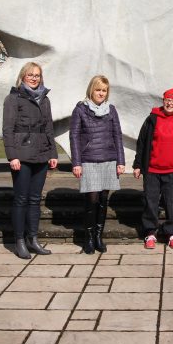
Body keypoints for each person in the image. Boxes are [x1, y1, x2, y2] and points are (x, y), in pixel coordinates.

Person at [2, 61, 59, 259]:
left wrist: (53, 154)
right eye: (30, 74)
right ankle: (19, 241)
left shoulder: (45, 99)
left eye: (37, 75)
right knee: (21, 199)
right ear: (23, 76)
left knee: (35, 200)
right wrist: (12, 156)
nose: (34, 78)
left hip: (41, 154)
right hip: (21, 155)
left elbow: (49, 128)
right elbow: (7, 129)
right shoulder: (13, 98)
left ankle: (32, 239)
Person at [69, 75, 125, 254]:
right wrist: (76, 162)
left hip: (109, 158)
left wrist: (121, 161)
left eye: (104, 90)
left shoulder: (112, 110)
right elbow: (74, 136)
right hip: (89, 160)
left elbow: (118, 135)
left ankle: (99, 237)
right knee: (92, 199)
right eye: (98, 89)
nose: (101, 93)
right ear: (91, 90)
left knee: (103, 200)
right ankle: (89, 237)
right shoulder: (80, 110)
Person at [133, 88, 173, 250]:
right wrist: (138, 165)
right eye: (168, 100)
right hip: (152, 169)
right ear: (163, 100)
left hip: (171, 170)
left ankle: (171, 233)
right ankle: (150, 233)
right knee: (150, 202)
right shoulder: (151, 119)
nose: (170, 103)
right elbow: (142, 143)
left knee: (172, 203)